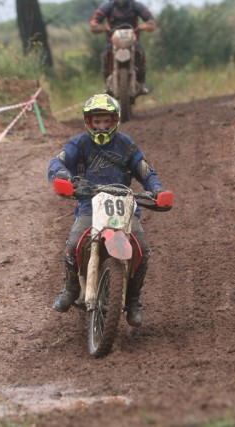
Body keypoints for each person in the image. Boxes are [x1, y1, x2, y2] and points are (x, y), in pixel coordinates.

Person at [47, 93, 165, 327]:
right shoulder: (79, 144)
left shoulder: (126, 145)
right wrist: (65, 177)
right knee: (72, 245)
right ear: (89, 122)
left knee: (142, 249)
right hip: (89, 206)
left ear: (115, 121)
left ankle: (133, 299)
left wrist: (157, 190)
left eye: (106, 121)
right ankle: (70, 288)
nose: (101, 126)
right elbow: (56, 162)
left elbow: (145, 171)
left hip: (125, 207)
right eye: (96, 121)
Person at [90, 0, 157, 94]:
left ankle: (142, 83)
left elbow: (151, 20)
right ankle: (107, 85)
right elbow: (94, 22)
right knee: (105, 55)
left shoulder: (136, 5)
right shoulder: (107, 6)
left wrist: (145, 26)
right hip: (113, 40)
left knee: (140, 53)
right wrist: (100, 27)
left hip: (133, 40)